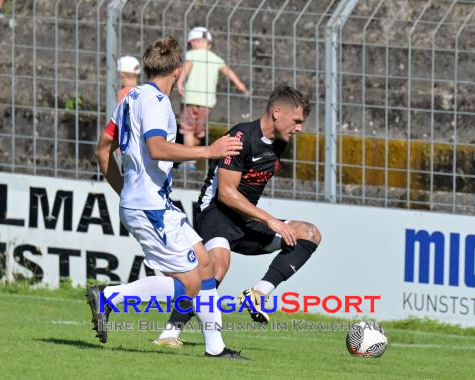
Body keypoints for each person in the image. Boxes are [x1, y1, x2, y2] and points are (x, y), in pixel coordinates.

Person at [90, 36, 245, 359]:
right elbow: (156, 147)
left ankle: (215, 348)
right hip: (150, 206)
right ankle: (110, 297)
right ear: (177, 71)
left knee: (204, 265)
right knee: (189, 284)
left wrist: (127, 192)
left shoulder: (130, 97)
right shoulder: (157, 103)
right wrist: (209, 150)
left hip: (153, 203)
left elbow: (103, 151)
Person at [154, 86, 321, 348]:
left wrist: (266, 220)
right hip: (216, 213)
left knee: (309, 233)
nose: (299, 128)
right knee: (217, 267)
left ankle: (258, 293)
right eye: (297, 121)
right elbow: (227, 194)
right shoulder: (240, 137)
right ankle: (169, 333)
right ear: (278, 113)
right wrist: (270, 220)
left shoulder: (279, 144)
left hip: (245, 220)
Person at [177, 26, 248, 170]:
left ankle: (189, 161)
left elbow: (186, 69)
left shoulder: (192, 55)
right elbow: (229, 72)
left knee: (188, 130)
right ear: (208, 43)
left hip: (190, 99)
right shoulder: (215, 58)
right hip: (207, 103)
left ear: (193, 42)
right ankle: (192, 158)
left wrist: (179, 82)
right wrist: (240, 85)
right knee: (198, 132)